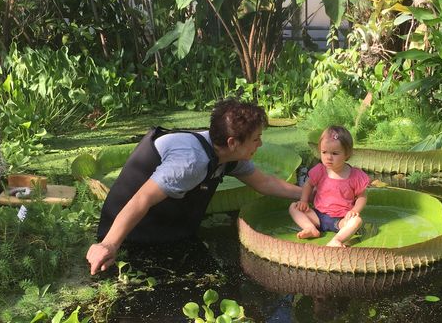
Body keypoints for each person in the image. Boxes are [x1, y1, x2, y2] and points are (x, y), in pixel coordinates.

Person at [86, 98, 302, 275]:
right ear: (232, 142)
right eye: (256, 139)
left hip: (169, 229)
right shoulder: (191, 162)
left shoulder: (229, 154)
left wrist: (308, 194)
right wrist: (109, 245)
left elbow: (265, 183)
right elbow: (141, 199)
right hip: (132, 233)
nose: (260, 144)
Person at [289, 125, 370, 247]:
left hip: (341, 220)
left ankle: (337, 239)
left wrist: (354, 210)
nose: (328, 157)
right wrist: (304, 201)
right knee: (294, 207)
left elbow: (362, 197)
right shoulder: (320, 170)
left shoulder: (355, 175)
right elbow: (308, 185)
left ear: (347, 154)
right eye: (324, 152)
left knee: (357, 221)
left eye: (335, 153)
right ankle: (310, 228)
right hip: (317, 215)